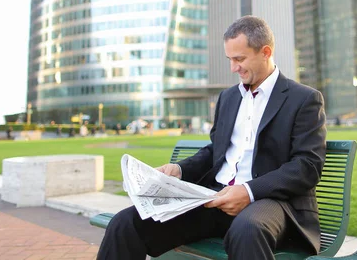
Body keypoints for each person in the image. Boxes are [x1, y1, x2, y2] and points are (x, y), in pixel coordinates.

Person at [97, 16, 327, 260]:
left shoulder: (303, 99)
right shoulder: (228, 98)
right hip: (214, 199)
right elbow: (215, 152)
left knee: (247, 230)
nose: (233, 68)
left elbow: (307, 166)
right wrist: (179, 169)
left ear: (265, 52)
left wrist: (247, 191)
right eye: (230, 59)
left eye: (239, 59)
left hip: (270, 202)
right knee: (125, 223)